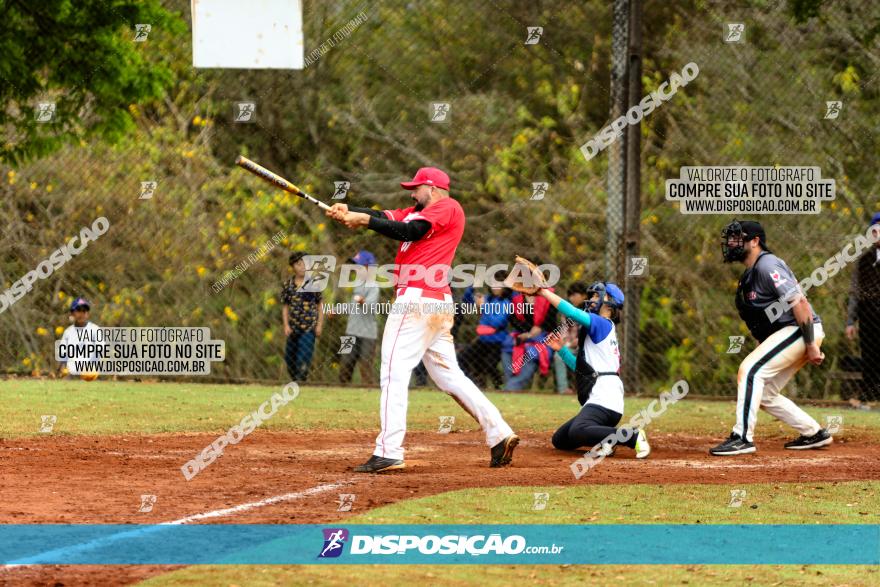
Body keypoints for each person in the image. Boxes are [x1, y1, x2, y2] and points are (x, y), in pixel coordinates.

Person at [325, 166, 519, 472]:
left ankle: (389, 450)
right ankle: (500, 434)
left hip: (418, 300)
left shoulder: (447, 207)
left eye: (416, 188)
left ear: (434, 188)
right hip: (432, 303)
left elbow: (410, 232)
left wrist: (363, 221)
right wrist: (351, 209)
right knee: (450, 377)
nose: (412, 193)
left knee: (392, 370)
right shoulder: (417, 211)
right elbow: (387, 217)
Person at [710, 220, 832, 456]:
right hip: (788, 333)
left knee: (749, 370)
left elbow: (800, 302)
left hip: (801, 330)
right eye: (731, 238)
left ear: (755, 241)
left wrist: (810, 345)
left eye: (738, 238)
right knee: (764, 394)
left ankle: (742, 437)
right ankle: (813, 433)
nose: (731, 243)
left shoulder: (767, 264)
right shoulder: (749, 276)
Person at [541, 281, 650, 458]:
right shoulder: (599, 328)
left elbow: (571, 312)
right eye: (591, 295)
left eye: (597, 296)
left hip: (605, 398)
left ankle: (633, 436)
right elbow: (581, 369)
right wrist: (561, 350)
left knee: (578, 431)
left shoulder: (602, 323)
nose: (591, 299)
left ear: (610, 304)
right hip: (603, 399)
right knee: (560, 440)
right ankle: (608, 439)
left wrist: (543, 292)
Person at [845, 212, 880, 409]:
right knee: (869, 355)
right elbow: (855, 292)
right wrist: (851, 321)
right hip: (868, 316)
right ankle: (869, 398)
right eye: (874, 230)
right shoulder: (864, 260)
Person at [502, 282, 557, 391]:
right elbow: (513, 320)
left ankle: (511, 387)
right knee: (507, 348)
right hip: (522, 334)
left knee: (532, 353)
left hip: (542, 335)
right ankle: (512, 383)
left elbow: (552, 322)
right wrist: (526, 333)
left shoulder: (549, 296)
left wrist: (539, 328)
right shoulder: (517, 297)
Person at [338, 250, 380, 386]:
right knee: (345, 362)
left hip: (368, 334)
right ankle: (342, 391)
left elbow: (371, 306)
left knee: (366, 365)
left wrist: (364, 302)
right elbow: (352, 305)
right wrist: (337, 310)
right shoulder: (356, 283)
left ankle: (367, 392)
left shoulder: (374, 286)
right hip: (351, 330)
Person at [281, 252, 323, 381]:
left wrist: (319, 325)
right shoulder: (288, 285)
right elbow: (285, 307)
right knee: (290, 358)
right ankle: (296, 380)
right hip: (293, 328)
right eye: (299, 264)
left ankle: (301, 381)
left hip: (309, 328)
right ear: (293, 266)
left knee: (303, 357)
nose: (302, 267)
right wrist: (286, 325)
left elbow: (320, 305)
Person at [459, 286, 512, 389]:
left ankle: (499, 384)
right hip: (483, 340)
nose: (495, 287)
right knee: (462, 358)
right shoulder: (488, 298)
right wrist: (471, 288)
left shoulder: (506, 302)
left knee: (489, 364)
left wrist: (484, 306)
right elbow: (466, 301)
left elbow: (496, 323)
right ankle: (473, 383)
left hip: (497, 341)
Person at [553, 282, 588, 395]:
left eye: (574, 295)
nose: (571, 298)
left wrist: (576, 342)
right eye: (570, 295)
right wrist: (565, 343)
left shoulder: (590, 311)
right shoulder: (567, 312)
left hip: (587, 347)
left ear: (584, 296)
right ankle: (563, 389)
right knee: (558, 355)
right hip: (571, 346)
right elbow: (564, 332)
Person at [57, 297, 101, 377]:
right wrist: (62, 368)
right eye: (78, 310)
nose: (81, 314)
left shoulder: (95, 330)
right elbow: (63, 354)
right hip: (72, 372)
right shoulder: (68, 332)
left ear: (87, 314)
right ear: (72, 313)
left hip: (90, 370)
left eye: (84, 311)